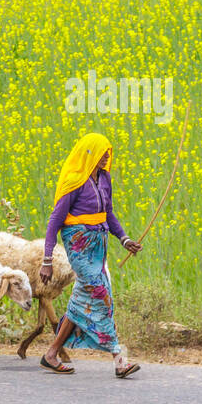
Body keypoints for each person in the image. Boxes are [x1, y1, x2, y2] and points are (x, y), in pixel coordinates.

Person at [39, 132, 141, 379]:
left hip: (98, 248)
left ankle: (51, 354)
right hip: (78, 246)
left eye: (108, 151)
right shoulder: (75, 181)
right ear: (90, 153)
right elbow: (55, 220)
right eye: (103, 151)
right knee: (100, 295)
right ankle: (119, 359)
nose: (107, 155)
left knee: (81, 300)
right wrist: (47, 260)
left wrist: (124, 239)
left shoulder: (105, 178)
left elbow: (108, 214)